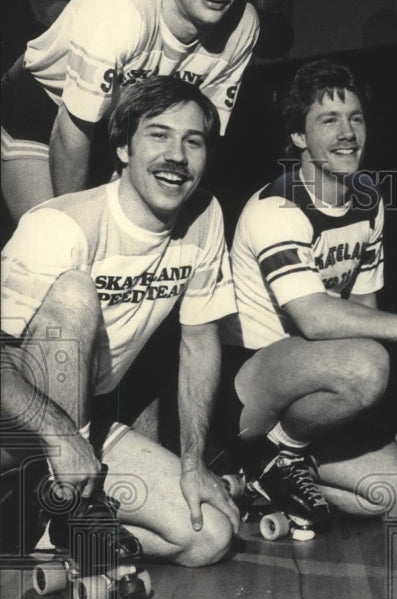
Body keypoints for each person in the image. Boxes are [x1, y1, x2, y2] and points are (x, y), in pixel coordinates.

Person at [1, 76, 241, 565]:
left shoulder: (205, 216)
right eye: (159, 134)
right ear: (122, 147)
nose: (177, 155)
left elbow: (198, 339)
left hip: (84, 424)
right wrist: (61, 436)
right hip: (17, 424)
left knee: (209, 535)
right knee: (75, 293)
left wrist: (193, 464)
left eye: (193, 141)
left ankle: (54, 527)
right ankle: (66, 507)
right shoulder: (61, 224)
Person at [221, 60, 397, 524]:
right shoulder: (278, 207)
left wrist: (374, 421)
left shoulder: (368, 200)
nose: (347, 132)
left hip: (315, 388)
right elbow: (315, 318)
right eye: (328, 120)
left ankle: (261, 484)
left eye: (355, 118)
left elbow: (364, 311)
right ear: (298, 137)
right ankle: (276, 455)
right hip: (250, 388)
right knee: (367, 363)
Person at [1, 0, 259, 224]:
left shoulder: (243, 24)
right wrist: (76, 222)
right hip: (43, 110)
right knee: (56, 238)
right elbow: (72, 126)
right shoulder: (118, 11)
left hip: (128, 125)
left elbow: (195, 130)